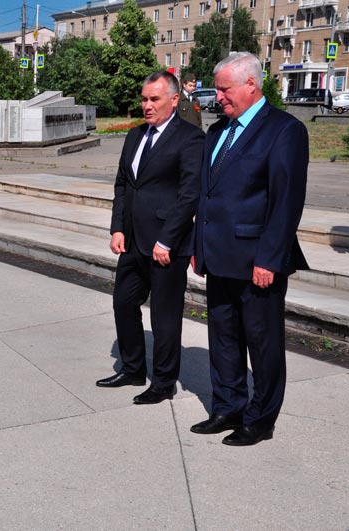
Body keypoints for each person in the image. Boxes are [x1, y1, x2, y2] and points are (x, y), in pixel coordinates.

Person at [190, 52, 309, 446]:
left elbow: (285, 202)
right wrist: (197, 246)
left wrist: (270, 258)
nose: (217, 97)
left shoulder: (283, 130)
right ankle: (227, 407)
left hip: (258, 260)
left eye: (224, 89)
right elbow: (205, 197)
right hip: (218, 255)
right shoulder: (216, 132)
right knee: (223, 338)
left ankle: (261, 419)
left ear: (251, 86)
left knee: (263, 343)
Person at [96, 71, 204, 405]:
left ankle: (163, 381)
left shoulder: (190, 138)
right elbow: (123, 185)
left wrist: (167, 240)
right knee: (124, 302)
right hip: (132, 240)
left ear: (174, 99)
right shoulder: (134, 136)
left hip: (167, 245)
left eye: (154, 99)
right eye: (144, 99)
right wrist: (117, 228)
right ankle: (132, 368)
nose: (147, 105)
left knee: (164, 314)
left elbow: (189, 196)